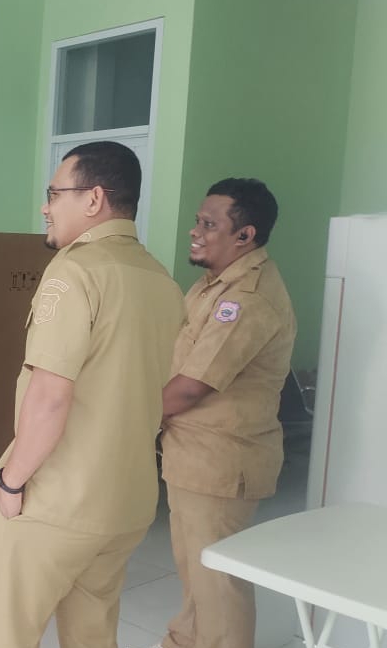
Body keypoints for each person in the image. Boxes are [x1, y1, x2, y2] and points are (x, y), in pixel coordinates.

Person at [0, 141, 184, 648]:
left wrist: (10, 481)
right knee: (93, 632)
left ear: (94, 199)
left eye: (54, 194)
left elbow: (50, 396)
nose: (45, 207)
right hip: (126, 501)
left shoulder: (75, 272)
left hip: (58, 502)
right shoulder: (160, 279)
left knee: (9, 634)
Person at [154, 178, 296, 648]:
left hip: (219, 462)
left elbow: (191, 387)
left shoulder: (246, 298)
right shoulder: (212, 284)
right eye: (198, 220)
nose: (195, 231)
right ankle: (183, 640)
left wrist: (128, 424)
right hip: (191, 456)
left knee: (218, 585)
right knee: (195, 571)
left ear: (245, 235)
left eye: (209, 224)